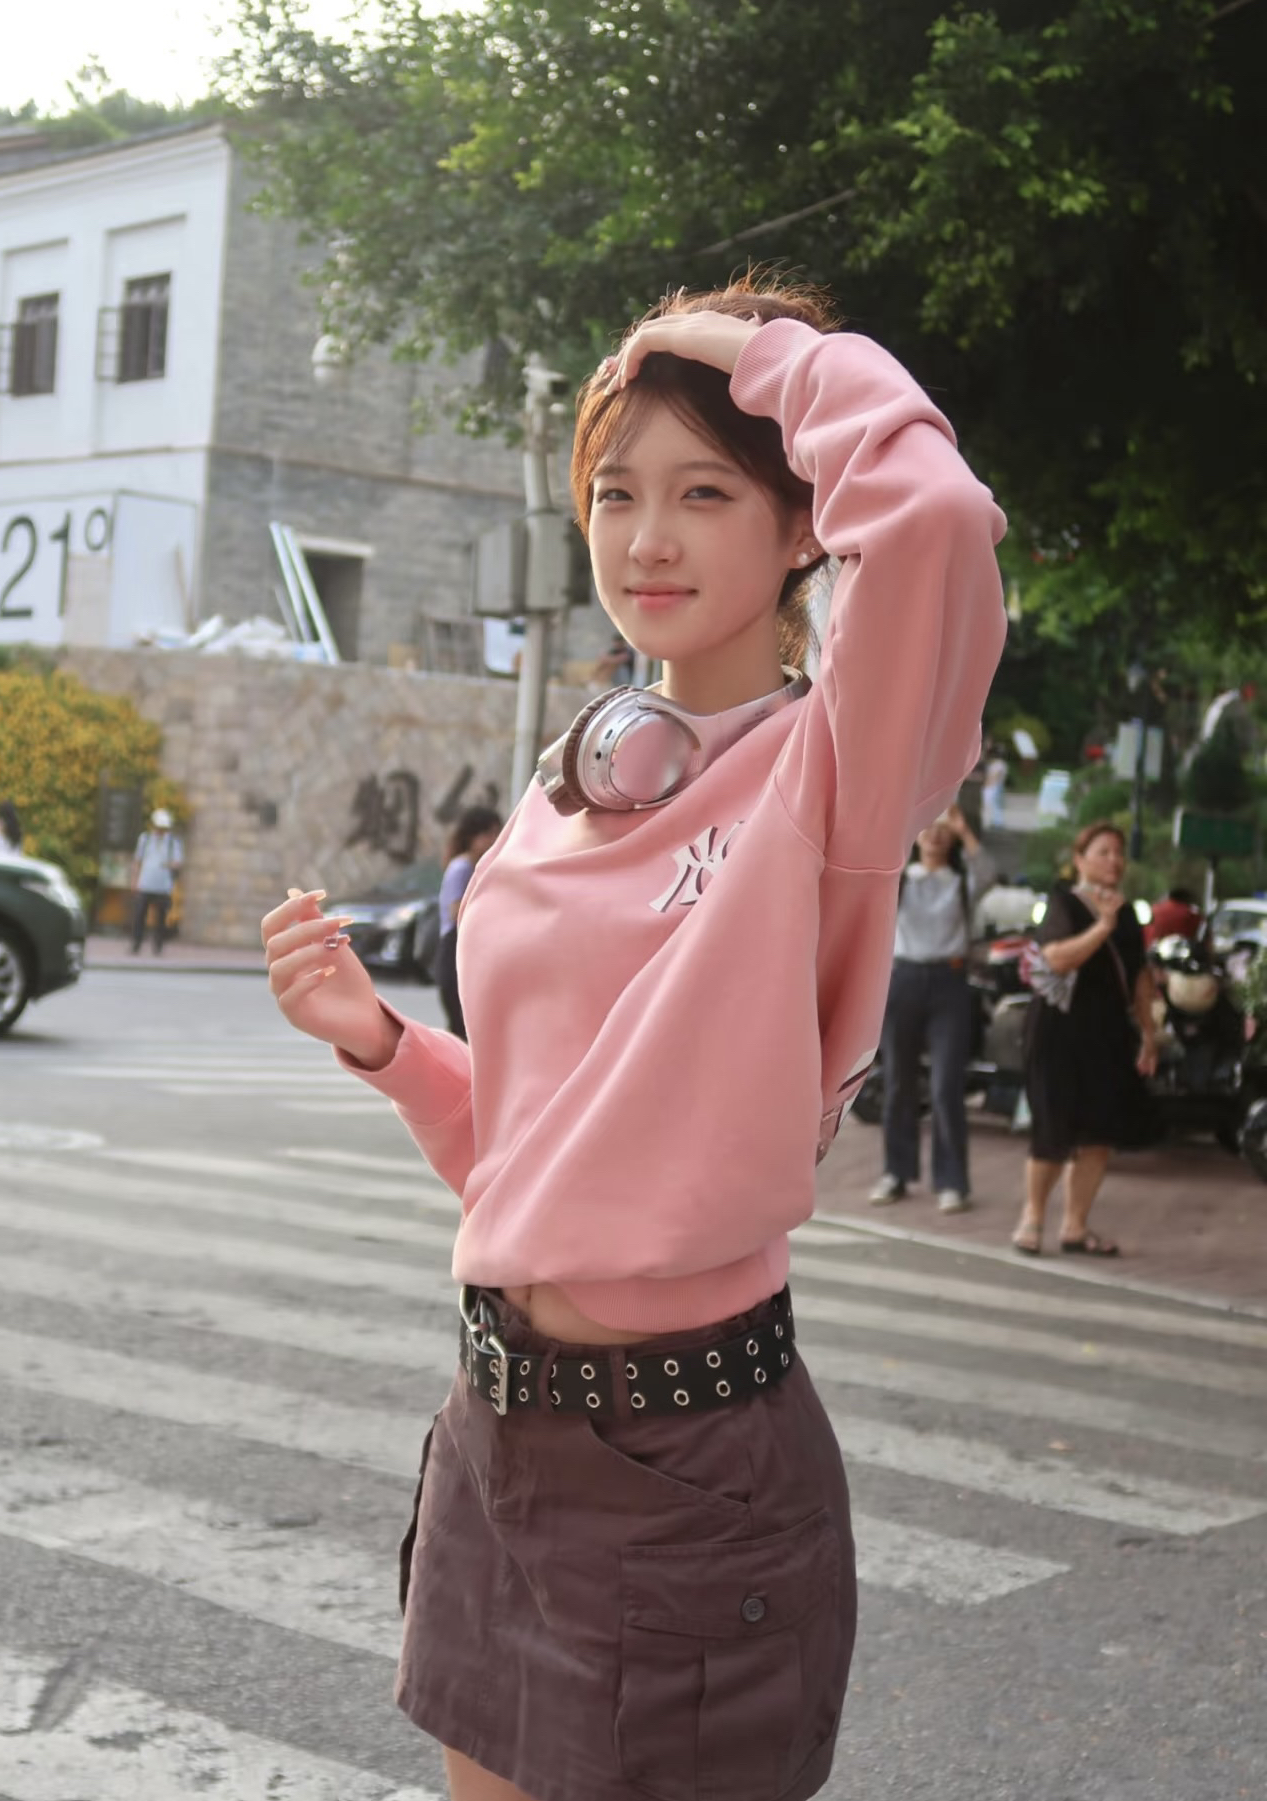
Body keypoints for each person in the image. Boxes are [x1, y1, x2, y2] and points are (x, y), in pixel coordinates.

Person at [263, 280, 1006, 1801]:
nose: (647, 537)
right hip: (498, 1430)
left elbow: (933, 513)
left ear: (801, 526)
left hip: (688, 1464)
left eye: (705, 492)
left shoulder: (837, 770)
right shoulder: (569, 786)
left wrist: (746, 349)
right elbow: (551, 1151)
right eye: (616, 493)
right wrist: (389, 1045)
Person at [1014, 822, 1159, 1259]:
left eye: (1119, 852)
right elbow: (1057, 959)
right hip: (1058, 1031)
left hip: (1107, 1034)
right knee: (1053, 1128)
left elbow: (1140, 977)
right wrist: (1103, 926)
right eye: (1103, 852)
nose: (1114, 860)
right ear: (1080, 860)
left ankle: (1075, 1226)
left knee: (1099, 1132)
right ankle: (1032, 1217)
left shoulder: (1130, 914)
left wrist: (1149, 1034)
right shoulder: (1064, 903)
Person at [871, 804, 994, 1213]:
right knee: (898, 1082)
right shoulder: (899, 877)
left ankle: (952, 1181)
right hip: (903, 979)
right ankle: (896, 1173)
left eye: (944, 828)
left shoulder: (961, 884)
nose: (936, 834)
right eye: (929, 826)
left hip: (949, 984)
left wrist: (964, 827)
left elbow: (988, 873)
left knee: (945, 1087)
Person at [434, 804, 503, 1040]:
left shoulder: (477, 866)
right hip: (454, 947)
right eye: (488, 833)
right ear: (472, 836)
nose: (494, 839)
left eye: (497, 833)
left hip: (468, 949)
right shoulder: (462, 868)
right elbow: (456, 912)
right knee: (462, 1026)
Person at [129, 807, 183, 954]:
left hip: (163, 886)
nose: (161, 831)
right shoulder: (145, 839)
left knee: (161, 918)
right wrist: (134, 880)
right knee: (139, 915)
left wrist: (169, 864)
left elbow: (178, 862)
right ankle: (136, 944)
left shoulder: (173, 842)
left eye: (163, 828)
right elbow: (137, 861)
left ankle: (158, 945)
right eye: (159, 827)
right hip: (145, 883)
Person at [981, 745, 1010, 830]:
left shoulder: (998, 764)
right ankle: (997, 821)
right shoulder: (1002, 764)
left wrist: (987, 784)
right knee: (996, 805)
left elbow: (994, 776)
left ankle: (997, 822)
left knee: (993, 804)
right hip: (998, 786)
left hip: (994, 786)